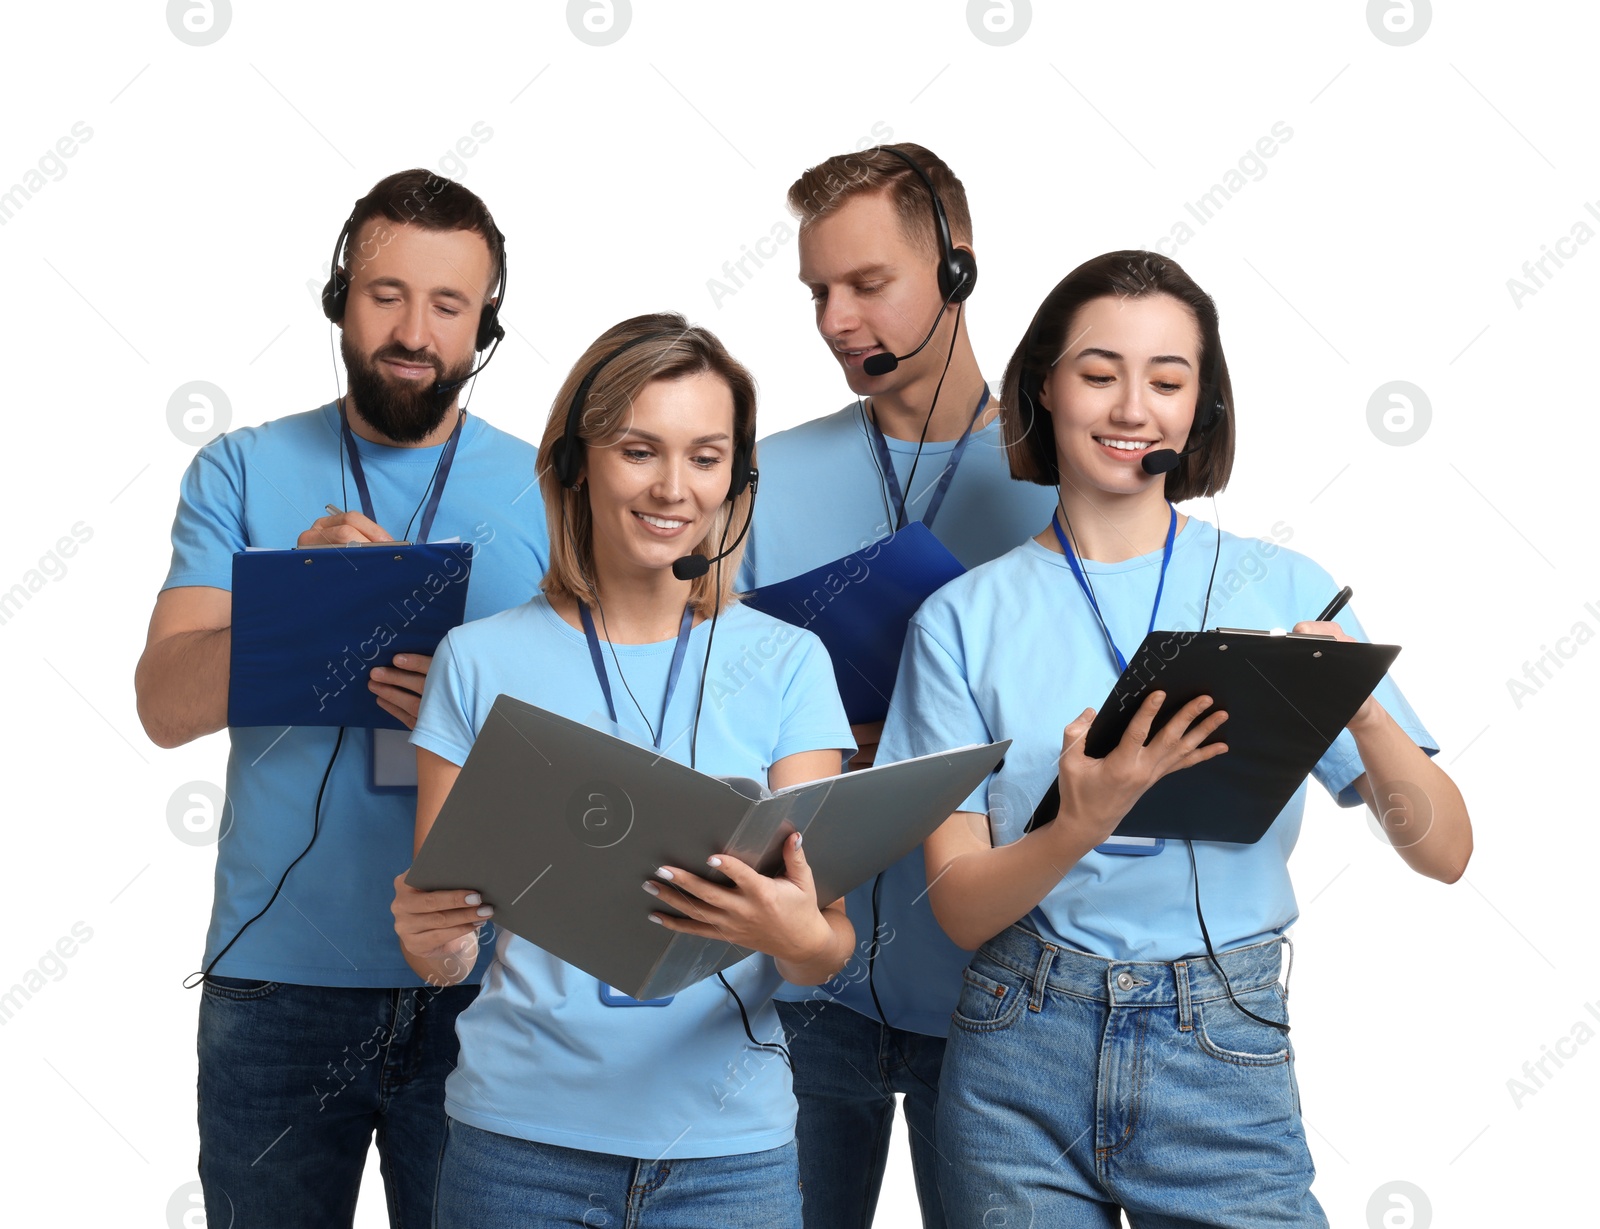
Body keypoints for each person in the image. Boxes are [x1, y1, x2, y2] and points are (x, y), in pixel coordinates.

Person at [876, 250, 1473, 1226]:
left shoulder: (1278, 588)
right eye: (1098, 372)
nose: (1130, 407)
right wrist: (1080, 819)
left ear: (1201, 408)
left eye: (1166, 379)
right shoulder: (959, 619)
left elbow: (1444, 849)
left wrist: (1358, 708)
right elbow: (960, 912)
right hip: (1017, 1045)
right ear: (1043, 387)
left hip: (1220, 1043)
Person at [134, 169, 549, 1227]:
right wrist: (294, 607)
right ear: (338, 298)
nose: (413, 330)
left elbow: (608, 738)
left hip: (485, 978)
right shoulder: (238, 467)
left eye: (448, 304)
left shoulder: (558, 484)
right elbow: (163, 706)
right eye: (385, 294)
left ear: (484, 326)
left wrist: (461, 715)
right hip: (275, 982)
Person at [391, 313, 858, 1226]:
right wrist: (424, 929)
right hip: (518, 1149)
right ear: (577, 462)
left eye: (706, 457)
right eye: (639, 449)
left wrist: (788, 931)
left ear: (736, 477)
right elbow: (446, 954)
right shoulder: (478, 660)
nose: (673, 487)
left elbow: (826, 947)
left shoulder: (792, 661)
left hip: (730, 1154)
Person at [739, 141, 1056, 1228]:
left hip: (1002, 991)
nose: (834, 320)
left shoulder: (1073, 477)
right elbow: (690, 711)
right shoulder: (755, 475)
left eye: (866, 284)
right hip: (794, 987)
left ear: (957, 268)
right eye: (818, 292)